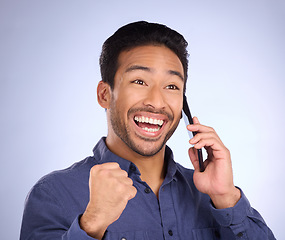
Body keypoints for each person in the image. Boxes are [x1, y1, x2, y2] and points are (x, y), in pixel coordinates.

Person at [20, 21, 275, 240]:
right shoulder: (53, 195)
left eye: (172, 86)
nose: (157, 101)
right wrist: (92, 224)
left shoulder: (210, 193)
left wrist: (226, 197)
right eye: (139, 81)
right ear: (104, 94)